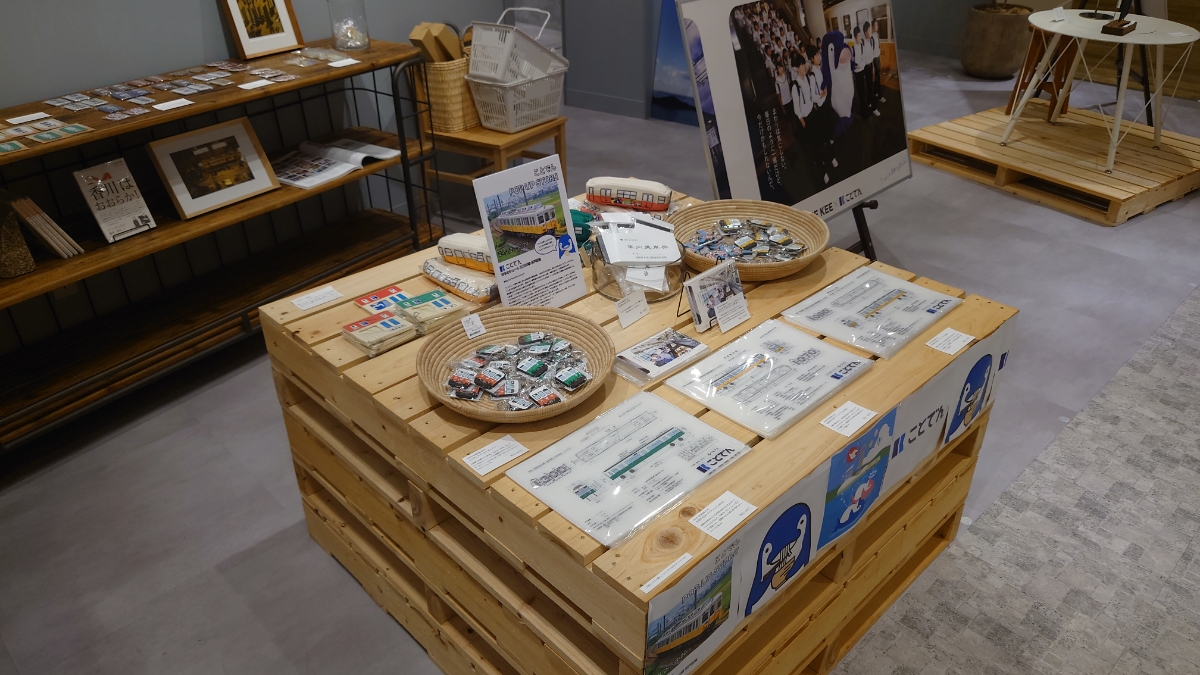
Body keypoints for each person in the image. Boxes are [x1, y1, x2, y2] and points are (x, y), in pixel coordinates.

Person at [871, 20, 885, 104]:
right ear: (873, 27)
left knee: (877, 76)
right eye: (875, 25)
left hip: (877, 57)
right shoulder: (872, 37)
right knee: (877, 77)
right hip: (874, 58)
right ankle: (879, 96)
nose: (877, 26)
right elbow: (872, 50)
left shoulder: (877, 35)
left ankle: (875, 92)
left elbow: (878, 47)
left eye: (877, 25)